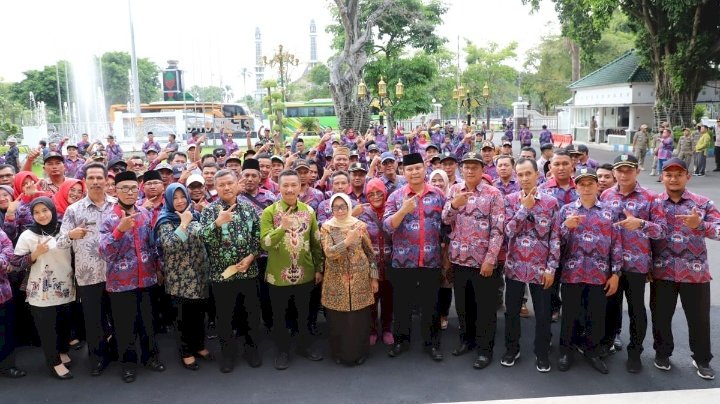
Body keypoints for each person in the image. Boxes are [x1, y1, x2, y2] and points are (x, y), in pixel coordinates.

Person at [650, 157, 718, 380]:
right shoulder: (653, 203)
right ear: (662, 177)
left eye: (679, 174)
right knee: (661, 317)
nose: (673, 178)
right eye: (669, 174)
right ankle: (662, 354)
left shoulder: (703, 203)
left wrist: (700, 225)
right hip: (662, 271)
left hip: (695, 273)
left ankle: (702, 359)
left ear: (687, 176)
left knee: (699, 319)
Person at [601, 154, 666, 373]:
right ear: (614, 173)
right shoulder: (606, 195)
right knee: (610, 306)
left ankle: (635, 352)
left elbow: (661, 230)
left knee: (637, 309)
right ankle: (607, 342)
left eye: (628, 169)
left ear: (637, 171)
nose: (623, 174)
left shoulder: (650, 197)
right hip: (612, 266)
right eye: (619, 170)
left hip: (637, 265)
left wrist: (641, 224)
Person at [99, 171, 165, 383]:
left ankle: (150, 357)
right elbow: (104, 252)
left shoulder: (144, 214)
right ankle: (128, 364)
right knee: (124, 326)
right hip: (121, 283)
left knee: (148, 321)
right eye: (124, 189)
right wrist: (119, 230)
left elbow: (152, 246)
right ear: (115, 191)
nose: (129, 192)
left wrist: (158, 268)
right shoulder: (108, 218)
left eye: (132, 188)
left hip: (146, 279)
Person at [442, 151, 504, 369]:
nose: (469, 170)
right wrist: (454, 205)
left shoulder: (493, 193)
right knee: (463, 306)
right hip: (459, 260)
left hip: (482, 263)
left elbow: (498, 230)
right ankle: (465, 341)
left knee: (485, 309)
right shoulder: (454, 189)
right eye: (466, 167)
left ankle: (484, 350)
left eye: (474, 167)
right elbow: (445, 219)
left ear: (482, 170)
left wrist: (490, 259)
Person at [557, 168, 621, 375]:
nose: (586, 187)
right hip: (571, 273)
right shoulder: (566, 211)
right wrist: (565, 227)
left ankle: (592, 352)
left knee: (596, 315)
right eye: (582, 184)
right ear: (576, 187)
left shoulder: (609, 212)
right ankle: (566, 351)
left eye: (590, 183)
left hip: (599, 273)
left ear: (597, 186)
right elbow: (555, 244)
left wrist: (615, 274)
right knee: (570, 315)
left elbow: (616, 244)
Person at [384, 153, 446, 361]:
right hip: (403, 261)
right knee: (402, 304)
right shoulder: (395, 196)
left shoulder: (437, 195)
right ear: (403, 172)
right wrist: (403, 210)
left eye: (417, 168)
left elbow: (446, 224)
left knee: (431, 304)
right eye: (409, 169)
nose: (414, 172)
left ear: (424, 169)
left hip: (431, 259)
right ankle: (401, 341)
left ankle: (432, 343)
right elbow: (387, 225)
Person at [56, 163, 116, 376]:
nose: (96, 181)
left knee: (119, 316)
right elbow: (60, 242)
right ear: (85, 181)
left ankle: (117, 352)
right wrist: (70, 235)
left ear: (106, 180)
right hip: (88, 275)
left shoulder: (117, 205)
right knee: (93, 321)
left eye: (100, 177)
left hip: (117, 273)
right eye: (91, 178)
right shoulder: (74, 210)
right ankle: (97, 359)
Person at [260, 169, 324, 370]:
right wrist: (282, 228)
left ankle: (304, 346)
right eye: (285, 185)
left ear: (300, 186)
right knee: (280, 317)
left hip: (305, 272)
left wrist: (319, 267)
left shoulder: (309, 211)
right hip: (278, 276)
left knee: (304, 314)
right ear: (278, 187)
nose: (289, 189)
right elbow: (265, 244)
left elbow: (316, 243)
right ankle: (283, 350)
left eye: (293, 185)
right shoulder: (269, 212)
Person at [503, 157, 560, 372]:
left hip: (541, 268)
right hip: (515, 266)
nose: (525, 178)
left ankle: (542, 353)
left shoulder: (551, 202)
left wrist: (551, 268)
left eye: (529, 173)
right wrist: (523, 209)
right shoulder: (509, 200)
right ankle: (511, 349)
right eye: (520, 175)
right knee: (512, 312)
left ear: (538, 174)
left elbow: (555, 238)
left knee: (543, 313)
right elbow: (507, 231)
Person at [12, 197, 75, 379]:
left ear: (53, 210)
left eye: (45, 210)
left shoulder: (64, 230)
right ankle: (53, 362)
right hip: (41, 291)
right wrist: (34, 254)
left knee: (64, 323)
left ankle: (63, 351)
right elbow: (15, 263)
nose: (42, 215)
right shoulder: (28, 235)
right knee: (48, 328)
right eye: (36, 212)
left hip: (66, 285)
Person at [155, 183, 211, 371]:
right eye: (175, 198)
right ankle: (186, 351)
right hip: (179, 278)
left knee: (198, 314)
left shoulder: (196, 215)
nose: (179, 201)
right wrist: (184, 223)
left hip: (199, 274)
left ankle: (199, 345)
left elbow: (205, 237)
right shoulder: (165, 220)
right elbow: (169, 246)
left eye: (182, 197)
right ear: (169, 200)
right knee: (182, 317)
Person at [320, 193, 378, 365]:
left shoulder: (359, 226)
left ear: (349, 207)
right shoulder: (327, 227)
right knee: (339, 321)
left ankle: (360, 353)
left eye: (343, 206)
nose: (339, 210)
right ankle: (340, 354)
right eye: (335, 207)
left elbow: (370, 254)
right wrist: (346, 241)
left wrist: (374, 279)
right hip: (336, 281)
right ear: (331, 209)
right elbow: (329, 253)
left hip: (360, 280)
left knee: (359, 320)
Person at [358, 178, 394, 346]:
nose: (376, 196)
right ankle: (372, 329)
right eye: (371, 193)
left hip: (390, 263)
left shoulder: (392, 209)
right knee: (371, 299)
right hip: (370, 264)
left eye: (379, 192)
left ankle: (387, 328)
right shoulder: (362, 212)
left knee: (388, 298)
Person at [0, 227, 25, 378]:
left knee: (5, 331)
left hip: (3, 292)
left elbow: (8, 246)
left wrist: (2, 261)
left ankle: (7, 366)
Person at [429, 169, 452, 331]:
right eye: (434, 180)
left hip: (447, 247)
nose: (437, 183)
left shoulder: (451, 198)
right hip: (430, 247)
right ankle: (431, 315)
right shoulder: (428, 198)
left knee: (445, 283)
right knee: (431, 284)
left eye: (440, 180)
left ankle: (443, 314)